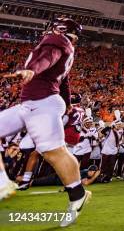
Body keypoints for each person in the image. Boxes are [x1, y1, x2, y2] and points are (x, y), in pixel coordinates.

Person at [0, 17, 91, 227]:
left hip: (42, 103)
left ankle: (78, 195)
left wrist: (32, 68)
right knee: (53, 151)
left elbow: (48, 57)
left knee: (53, 152)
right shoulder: (68, 47)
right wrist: (68, 104)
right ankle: (3, 182)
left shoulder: (56, 41)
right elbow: (64, 80)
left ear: (57, 30)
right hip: (32, 104)